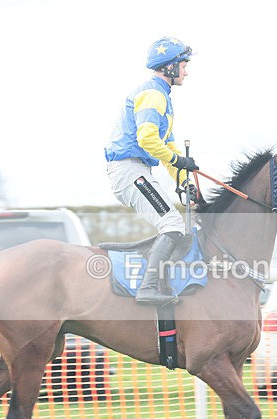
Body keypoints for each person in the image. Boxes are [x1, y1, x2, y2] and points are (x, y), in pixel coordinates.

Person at [104, 37, 199, 305]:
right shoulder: (153, 94)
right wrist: (177, 160)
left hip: (138, 170)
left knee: (176, 227)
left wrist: (184, 181)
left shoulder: (163, 98)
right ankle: (147, 288)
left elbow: (167, 147)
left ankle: (160, 280)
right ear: (170, 67)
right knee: (171, 224)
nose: (186, 71)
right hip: (129, 171)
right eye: (184, 65)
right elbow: (148, 140)